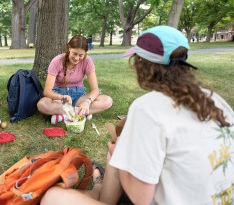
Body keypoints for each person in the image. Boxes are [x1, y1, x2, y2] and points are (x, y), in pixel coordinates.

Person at [40, 25, 234, 204]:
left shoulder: (147, 108)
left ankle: (99, 190)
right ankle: (99, 189)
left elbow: (140, 198)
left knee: (52, 197)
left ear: (142, 64)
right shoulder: (217, 100)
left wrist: (119, 158)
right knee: (117, 151)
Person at [37, 35, 113, 124]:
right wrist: (61, 97)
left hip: (79, 96)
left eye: (81, 55)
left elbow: (95, 89)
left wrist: (87, 102)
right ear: (69, 48)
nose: (77, 58)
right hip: (59, 98)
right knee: (42, 105)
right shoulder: (57, 61)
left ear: (85, 53)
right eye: (74, 53)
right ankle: (81, 113)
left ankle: (66, 114)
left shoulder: (87, 61)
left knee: (107, 101)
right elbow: (47, 91)